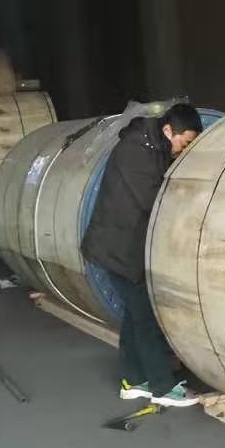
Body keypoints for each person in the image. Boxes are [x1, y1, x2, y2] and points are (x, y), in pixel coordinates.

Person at [82, 102, 204, 407]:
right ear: (168, 130)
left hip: (123, 245)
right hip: (120, 249)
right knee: (146, 318)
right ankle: (164, 388)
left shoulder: (153, 146)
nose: (184, 150)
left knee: (134, 316)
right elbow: (154, 202)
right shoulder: (138, 152)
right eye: (185, 143)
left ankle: (133, 380)